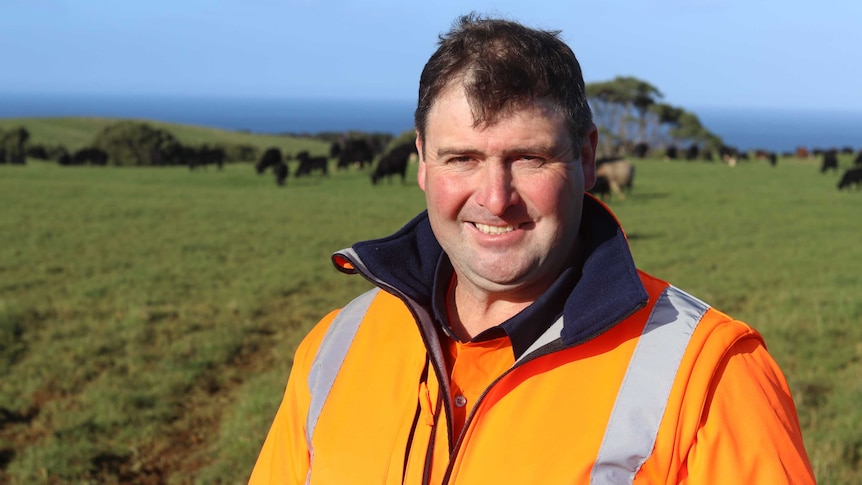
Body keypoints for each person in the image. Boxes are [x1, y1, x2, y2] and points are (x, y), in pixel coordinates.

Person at [250, 13, 815, 484]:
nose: (495, 199)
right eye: (462, 158)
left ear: (587, 158)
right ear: (422, 161)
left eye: (529, 158)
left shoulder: (710, 374)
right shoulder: (333, 348)